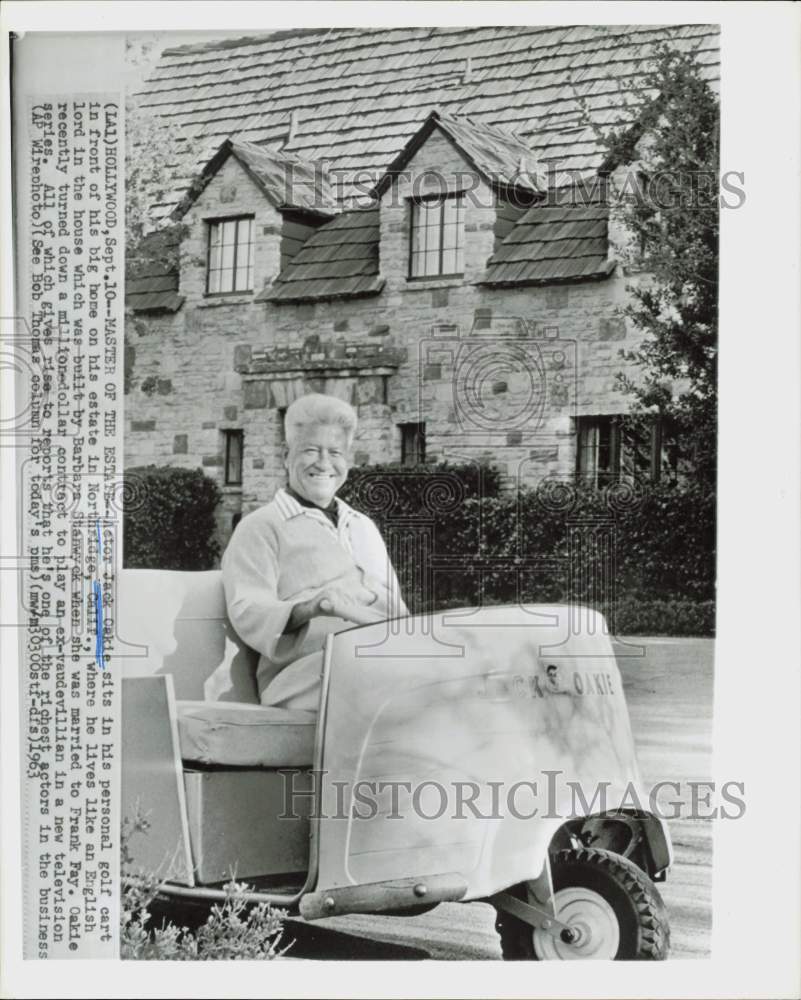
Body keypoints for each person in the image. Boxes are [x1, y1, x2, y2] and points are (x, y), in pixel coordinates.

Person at [221, 393, 407, 712]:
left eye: (334, 452)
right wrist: (313, 606)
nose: (323, 463)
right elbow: (248, 609)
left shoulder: (363, 526)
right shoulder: (260, 526)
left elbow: (398, 611)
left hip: (376, 655)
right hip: (299, 675)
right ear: (286, 455)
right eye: (310, 450)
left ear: (347, 459)